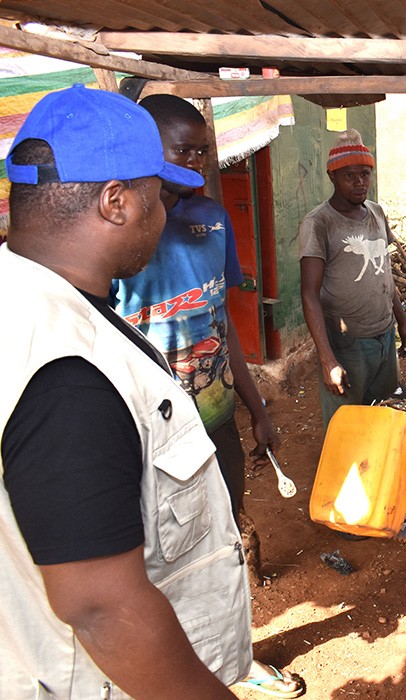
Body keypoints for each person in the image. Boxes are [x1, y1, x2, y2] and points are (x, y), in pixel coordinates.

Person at [0, 84, 251, 699]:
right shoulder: (67, 373)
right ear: (115, 201)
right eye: (155, 196)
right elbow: (101, 607)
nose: (164, 214)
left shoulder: (26, 301)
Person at [111, 94, 303, 698]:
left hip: (213, 422)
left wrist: (258, 407)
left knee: (221, 540)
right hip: (149, 435)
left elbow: (221, 327)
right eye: (182, 149)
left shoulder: (211, 221)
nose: (195, 160)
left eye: (202, 149)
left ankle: (238, 660)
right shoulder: (119, 239)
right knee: (156, 562)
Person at [299, 129, 406, 434]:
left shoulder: (376, 212)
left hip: (383, 335)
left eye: (365, 174)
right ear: (332, 176)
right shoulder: (319, 223)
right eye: (349, 175)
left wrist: (401, 321)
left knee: (384, 417)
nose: (359, 182)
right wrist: (328, 360)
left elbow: (385, 272)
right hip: (347, 343)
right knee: (347, 426)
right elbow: (309, 294)